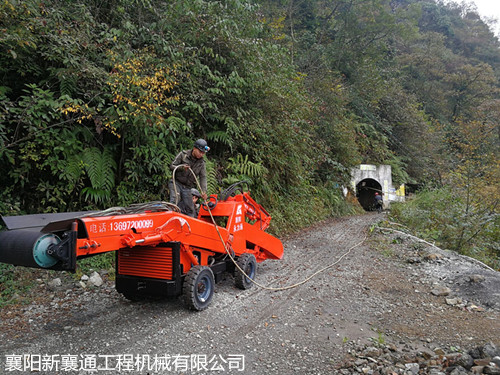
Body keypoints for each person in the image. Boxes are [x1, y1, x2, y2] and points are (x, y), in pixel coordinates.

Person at [169, 139, 209, 217]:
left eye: (203, 153)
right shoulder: (183, 155)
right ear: (194, 148)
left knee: (190, 208)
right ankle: (170, 220)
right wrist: (181, 168)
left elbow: (203, 177)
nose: (201, 154)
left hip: (187, 187)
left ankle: (189, 227)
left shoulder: (201, 163)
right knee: (175, 200)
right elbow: (172, 166)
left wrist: (203, 191)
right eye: (200, 152)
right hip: (176, 182)